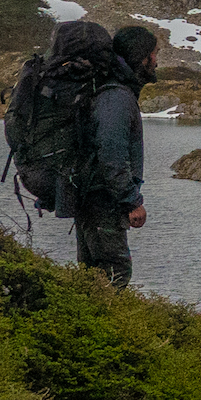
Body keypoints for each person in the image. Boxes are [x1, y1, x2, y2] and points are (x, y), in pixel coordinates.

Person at [69, 23, 157, 286]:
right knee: (115, 271)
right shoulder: (116, 96)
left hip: (90, 195)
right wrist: (131, 200)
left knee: (92, 273)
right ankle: (98, 326)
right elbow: (111, 154)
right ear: (143, 57)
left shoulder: (111, 89)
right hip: (101, 199)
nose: (156, 61)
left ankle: (84, 323)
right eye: (154, 54)